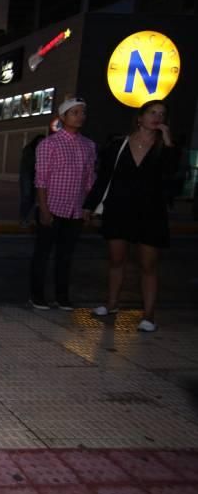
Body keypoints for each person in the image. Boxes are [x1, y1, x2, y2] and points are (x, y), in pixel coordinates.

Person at [83, 100, 178, 332]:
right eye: (152, 112)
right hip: (119, 209)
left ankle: (148, 315)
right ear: (140, 117)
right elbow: (104, 177)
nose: (157, 117)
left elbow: (171, 176)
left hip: (150, 212)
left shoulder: (164, 147)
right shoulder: (119, 145)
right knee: (116, 260)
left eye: (162, 114)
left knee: (148, 265)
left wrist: (167, 142)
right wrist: (89, 206)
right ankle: (112, 304)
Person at [29, 96, 95, 311]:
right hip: (53, 206)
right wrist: (44, 208)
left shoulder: (89, 145)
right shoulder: (50, 144)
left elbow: (89, 179)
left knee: (66, 255)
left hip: (75, 209)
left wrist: (88, 207)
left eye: (82, 113)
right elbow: (41, 179)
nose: (80, 117)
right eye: (75, 112)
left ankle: (62, 296)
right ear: (63, 117)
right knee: (43, 253)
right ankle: (37, 295)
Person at [18, 134, 45, 227]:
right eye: (40, 141)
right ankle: (23, 218)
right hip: (27, 175)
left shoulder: (44, 150)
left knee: (33, 199)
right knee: (26, 196)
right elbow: (29, 163)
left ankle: (27, 218)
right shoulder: (29, 149)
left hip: (36, 176)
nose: (41, 143)